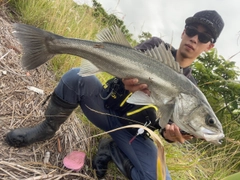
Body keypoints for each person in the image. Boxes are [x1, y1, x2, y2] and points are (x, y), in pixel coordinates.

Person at [5, 10, 224, 180]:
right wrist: (124, 81)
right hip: (102, 107)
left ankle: (112, 149)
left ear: (210, 46)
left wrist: (171, 136)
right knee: (76, 77)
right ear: (184, 31)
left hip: (131, 134)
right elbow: (119, 61)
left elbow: (163, 129)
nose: (195, 38)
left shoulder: (192, 91)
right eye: (192, 30)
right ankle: (46, 128)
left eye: (203, 36)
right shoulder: (156, 46)